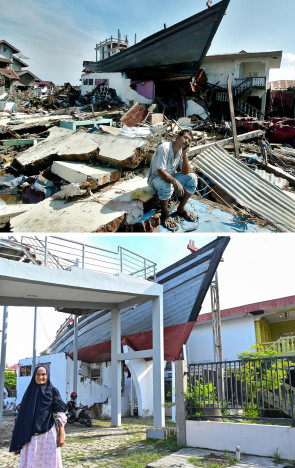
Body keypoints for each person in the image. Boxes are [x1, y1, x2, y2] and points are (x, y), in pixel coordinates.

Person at [10, 365, 67, 468]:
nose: (41, 377)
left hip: (48, 436)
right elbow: (21, 419)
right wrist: (17, 442)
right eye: (38, 374)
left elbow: (60, 413)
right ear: (34, 375)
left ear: (47, 375)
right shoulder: (29, 394)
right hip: (30, 437)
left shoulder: (53, 391)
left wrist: (62, 434)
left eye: (43, 374)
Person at [147, 129, 198, 231]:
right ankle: (165, 214)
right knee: (168, 185)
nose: (187, 141)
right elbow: (160, 171)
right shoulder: (164, 148)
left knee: (193, 178)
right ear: (177, 137)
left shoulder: (180, 151)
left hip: (170, 176)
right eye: (185, 138)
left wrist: (184, 154)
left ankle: (181, 208)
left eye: (189, 140)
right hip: (155, 179)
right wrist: (175, 182)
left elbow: (186, 172)